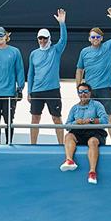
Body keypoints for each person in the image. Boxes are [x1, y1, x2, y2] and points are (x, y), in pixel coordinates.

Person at [75, 7, 111, 144]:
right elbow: (79, 70)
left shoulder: (108, 46)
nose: (95, 39)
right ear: (89, 39)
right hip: (89, 90)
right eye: (93, 37)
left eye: (97, 37)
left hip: (104, 89)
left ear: (101, 38)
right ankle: (92, 141)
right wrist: (78, 87)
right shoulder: (84, 52)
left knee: (110, 117)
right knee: (89, 117)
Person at [27, 9, 68, 145]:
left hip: (53, 90)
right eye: (40, 38)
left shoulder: (55, 50)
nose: (42, 40)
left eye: (45, 38)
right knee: (35, 119)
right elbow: (31, 73)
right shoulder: (33, 54)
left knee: (56, 118)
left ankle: (61, 145)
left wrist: (62, 23)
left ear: (49, 38)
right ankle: (33, 145)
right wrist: (29, 92)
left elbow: (64, 40)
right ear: (37, 39)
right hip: (37, 91)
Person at [60, 82, 111, 185]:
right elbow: (67, 125)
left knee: (92, 142)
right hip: (79, 133)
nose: (83, 94)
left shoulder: (97, 105)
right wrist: (76, 122)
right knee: (69, 136)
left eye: (85, 92)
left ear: (90, 93)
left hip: (95, 132)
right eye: (80, 92)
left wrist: (91, 120)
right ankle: (69, 160)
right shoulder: (74, 108)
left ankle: (92, 172)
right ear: (78, 94)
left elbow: (105, 120)